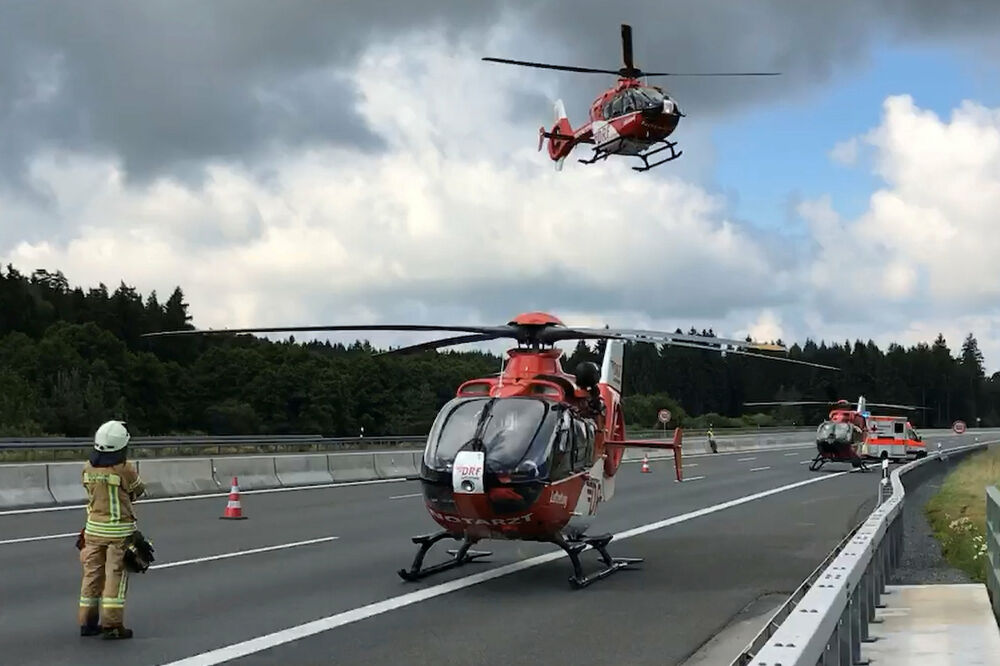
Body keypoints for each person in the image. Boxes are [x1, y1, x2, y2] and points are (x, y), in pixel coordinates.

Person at [77, 420, 145, 639]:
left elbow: (89, 490)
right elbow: (138, 491)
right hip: (119, 532)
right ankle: (112, 625)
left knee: (92, 576)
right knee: (115, 576)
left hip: (93, 530)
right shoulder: (124, 469)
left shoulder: (88, 467)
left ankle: (87, 622)